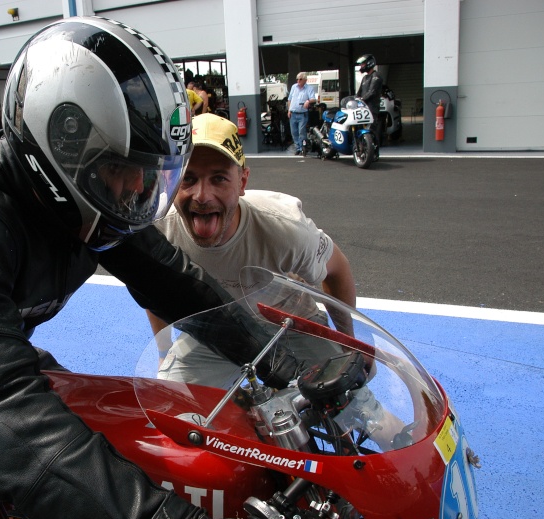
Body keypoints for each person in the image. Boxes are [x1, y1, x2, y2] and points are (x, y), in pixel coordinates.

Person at [0, 17, 265, 519]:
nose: (137, 187)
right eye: (122, 169)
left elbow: (176, 282)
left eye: (149, 173)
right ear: (64, 146)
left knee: (116, 444)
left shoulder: (95, 196)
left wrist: (281, 355)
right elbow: (3, 416)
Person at [147, 113, 404, 449]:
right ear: (172, 180)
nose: (201, 195)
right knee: (171, 411)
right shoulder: (160, 227)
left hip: (289, 322)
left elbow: (337, 270)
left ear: (242, 182)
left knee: (361, 410)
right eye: (188, 178)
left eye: (219, 179)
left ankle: (424, 463)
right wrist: (164, 351)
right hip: (218, 328)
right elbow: (154, 291)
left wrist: (347, 342)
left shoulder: (283, 227)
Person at [355, 54, 384, 157]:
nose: (361, 66)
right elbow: (359, 93)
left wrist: (361, 99)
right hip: (362, 109)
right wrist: (354, 99)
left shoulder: (376, 76)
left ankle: (374, 153)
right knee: (360, 130)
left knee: (371, 131)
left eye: (363, 64)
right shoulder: (365, 78)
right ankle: (361, 150)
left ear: (369, 63)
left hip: (372, 109)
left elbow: (372, 92)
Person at [286, 72, 317, 155]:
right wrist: (289, 110)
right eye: (297, 79)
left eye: (300, 79)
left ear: (305, 80)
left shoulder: (309, 88)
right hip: (293, 113)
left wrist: (308, 101)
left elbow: (314, 99)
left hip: (302, 114)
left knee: (301, 132)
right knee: (294, 132)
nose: (298, 81)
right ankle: (298, 147)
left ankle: (303, 146)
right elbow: (289, 99)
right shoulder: (294, 87)